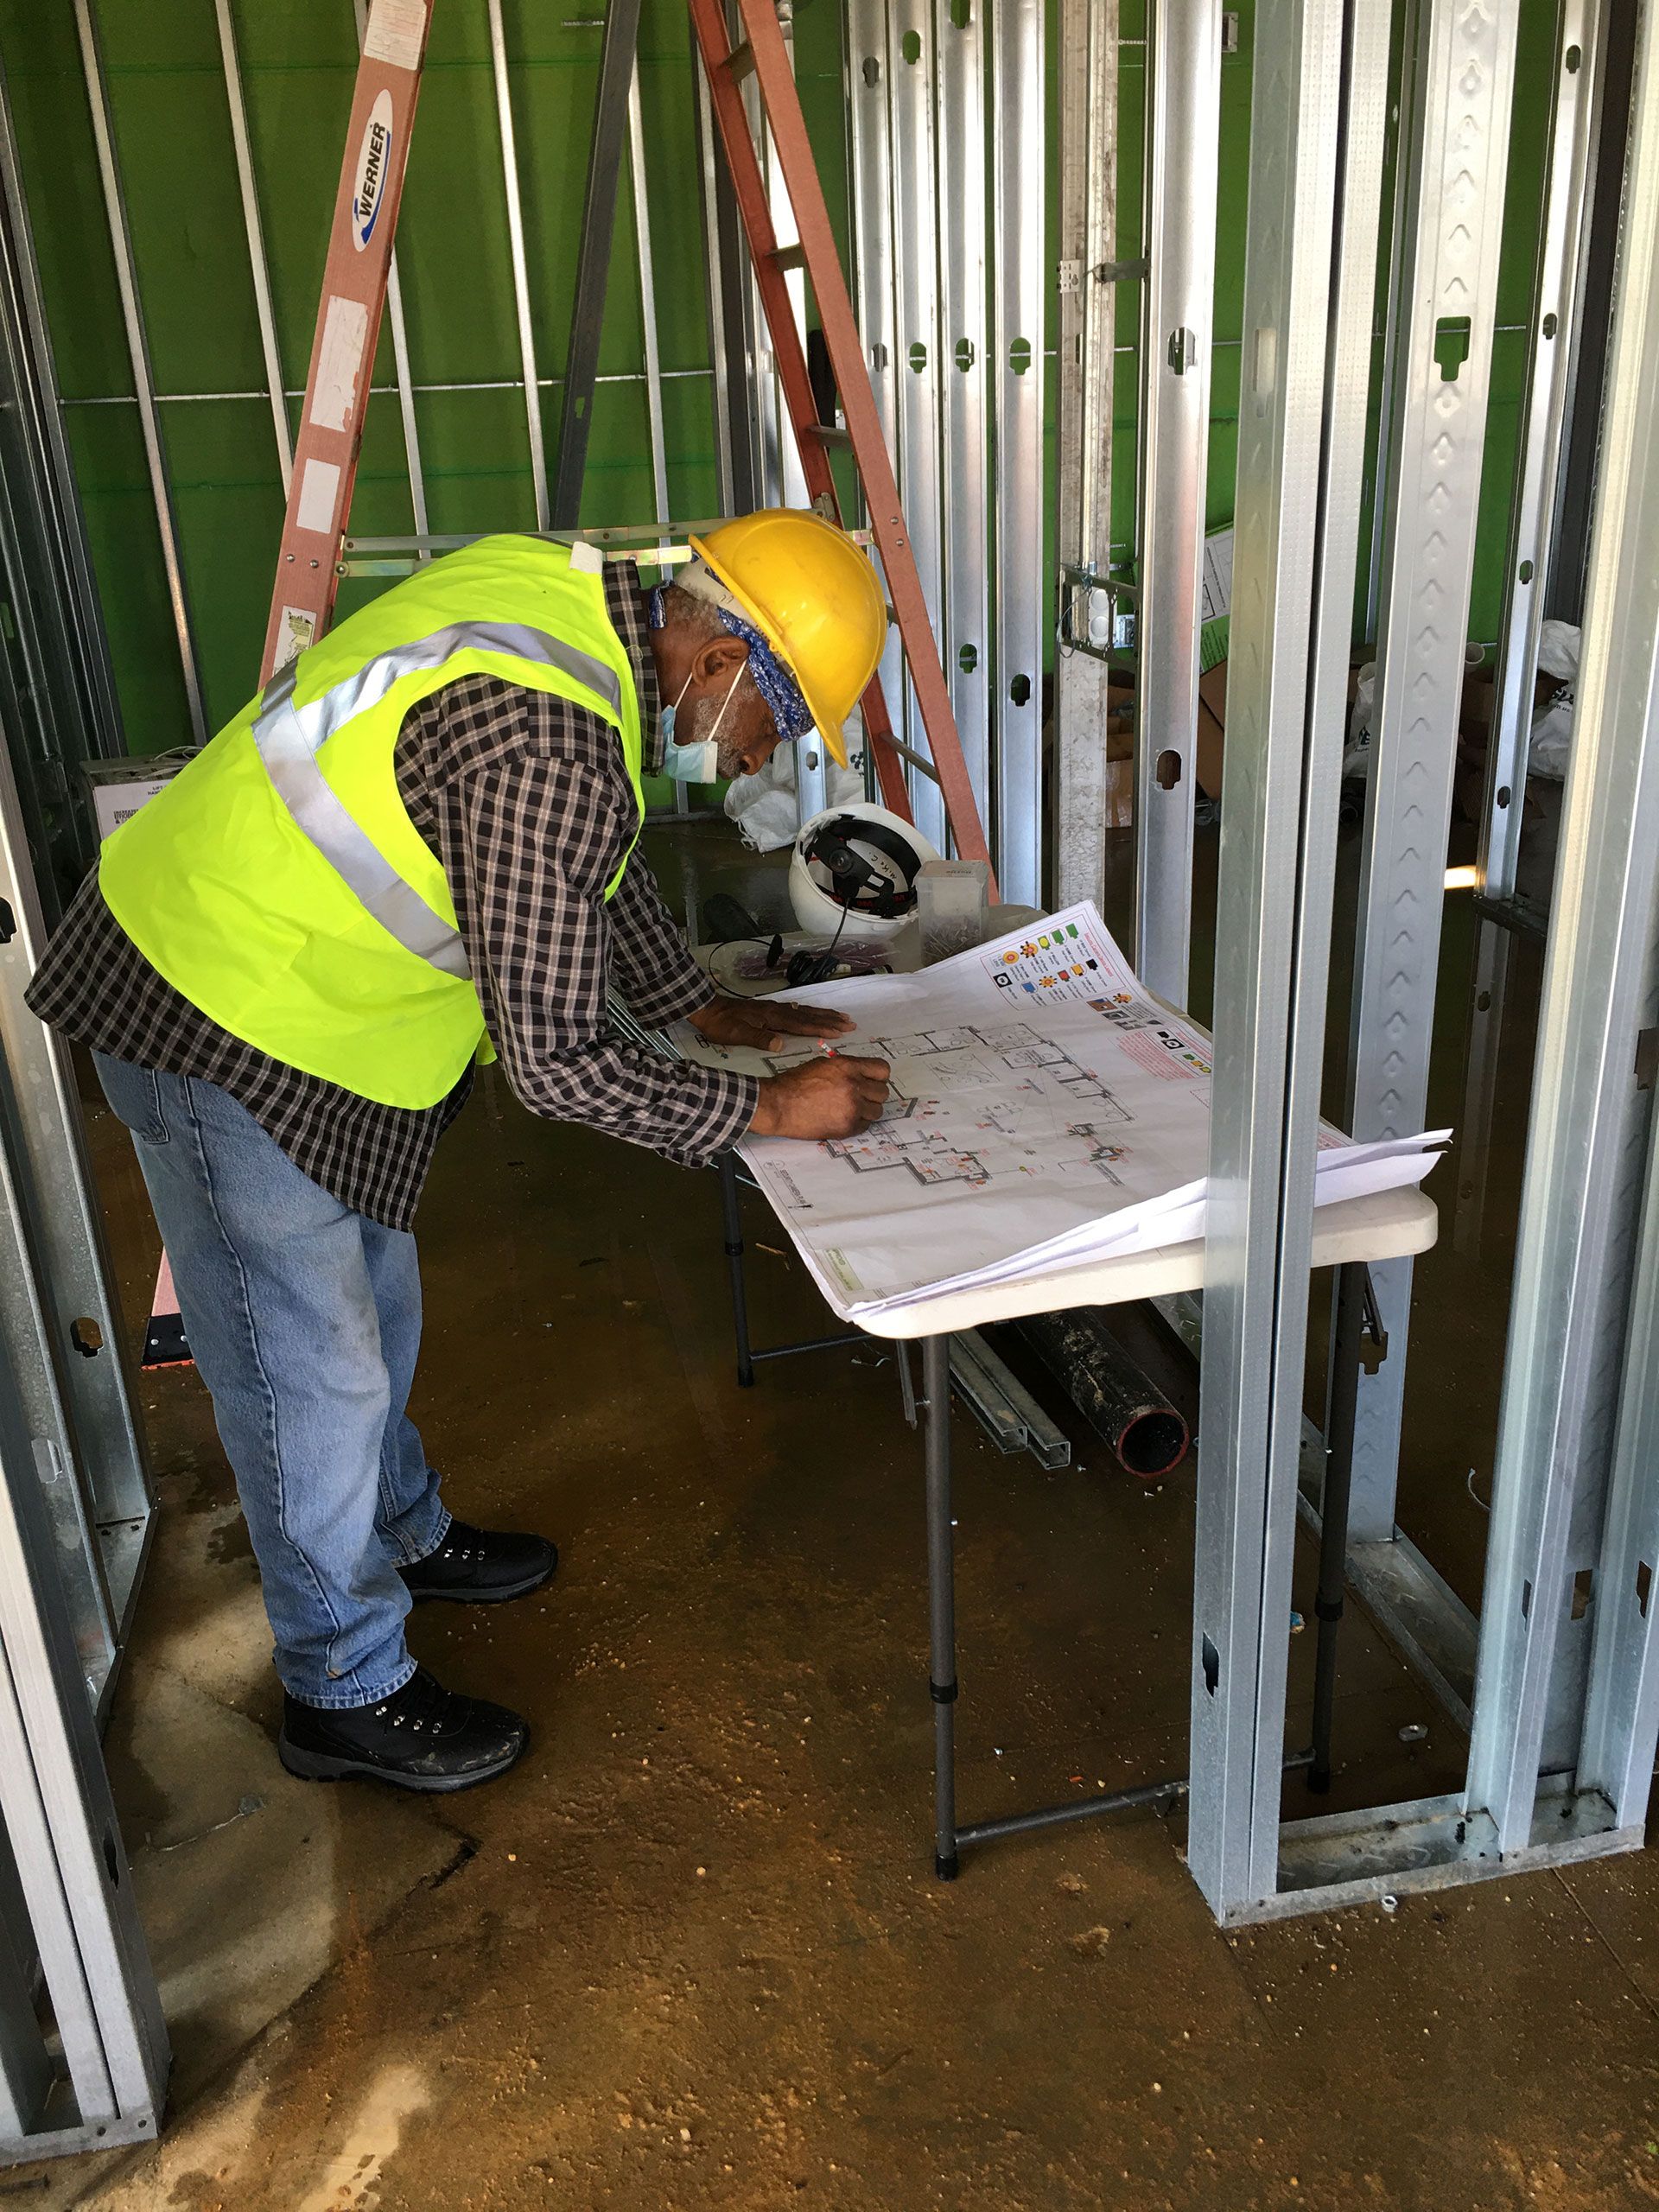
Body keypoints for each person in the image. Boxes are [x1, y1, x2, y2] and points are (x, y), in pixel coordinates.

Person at [28, 508, 893, 1794]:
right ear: (721, 667)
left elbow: (585, 872)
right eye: (779, 725)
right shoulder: (551, 738)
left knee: (370, 1306)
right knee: (304, 1372)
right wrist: (769, 1113)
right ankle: (342, 1686)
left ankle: (400, 1532)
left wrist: (693, 1007)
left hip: (305, 1003)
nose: (769, 757)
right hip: (214, 1006)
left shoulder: (566, 617)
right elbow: (554, 1064)